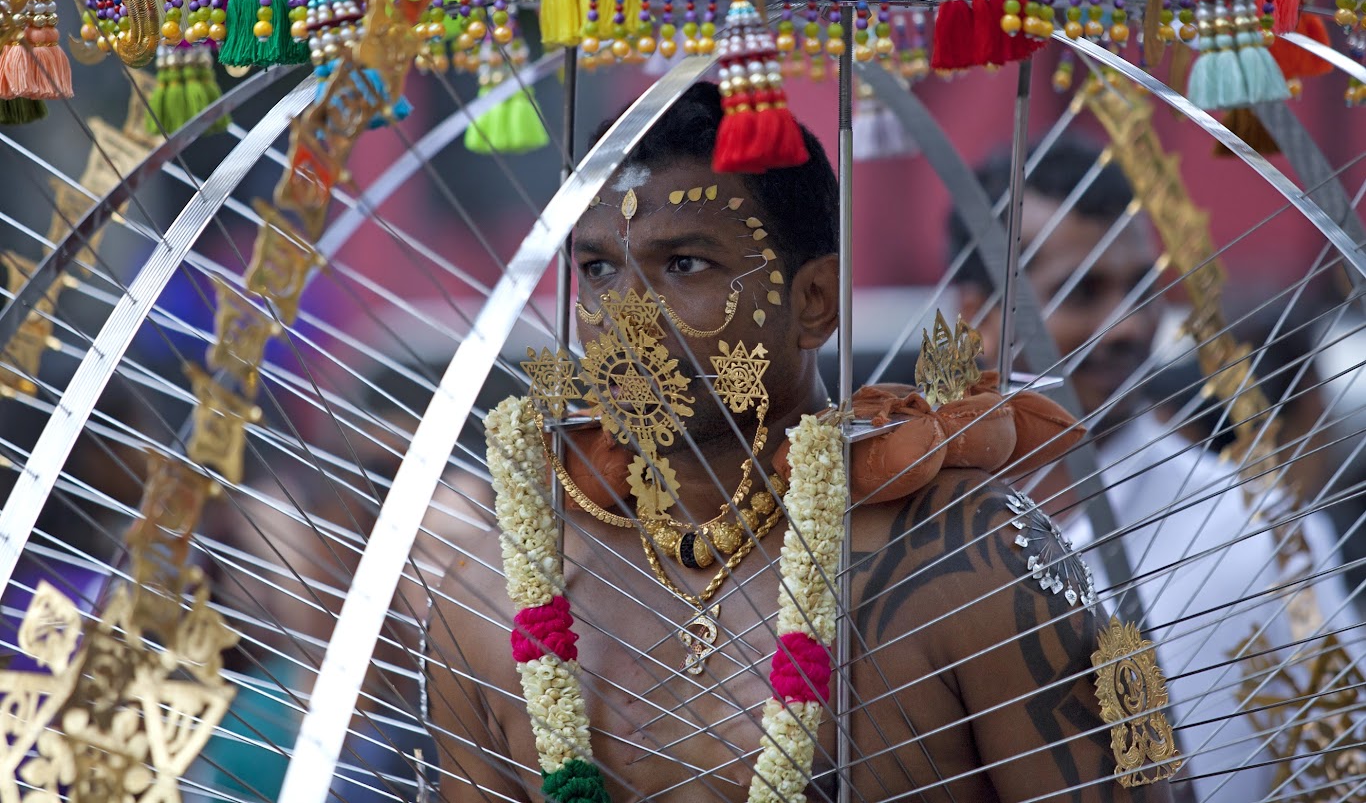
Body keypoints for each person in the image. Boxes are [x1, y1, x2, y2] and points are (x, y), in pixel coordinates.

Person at [424, 84, 1171, 802]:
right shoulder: (493, 594)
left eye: (684, 264)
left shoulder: (965, 559)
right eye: (598, 269)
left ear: (814, 300)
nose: (626, 317)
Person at [953, 138, 1353, 803]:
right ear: (975, 316)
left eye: (1142, 289)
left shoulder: (1253, 528)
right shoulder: (906, 517)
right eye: (1081, 291)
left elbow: (1345, 762)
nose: (1129, 327)